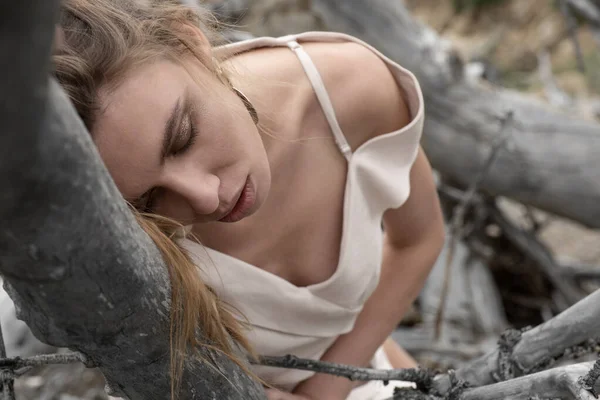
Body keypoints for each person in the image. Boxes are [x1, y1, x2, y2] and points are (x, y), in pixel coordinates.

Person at [53, 0, 445, 399]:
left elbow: (418, 240)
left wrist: (325, 389)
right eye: (150, 201)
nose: (205, 199)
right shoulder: (102, 231)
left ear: (191, 44)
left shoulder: (346, 89)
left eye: (184, 137)